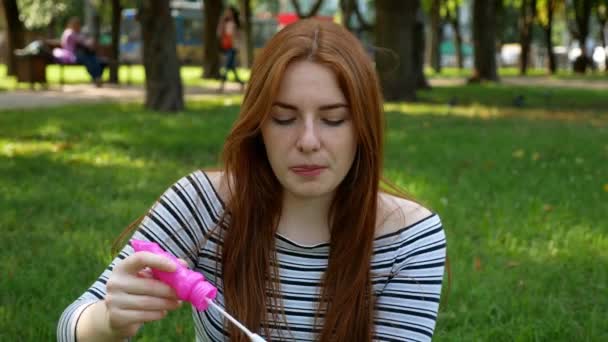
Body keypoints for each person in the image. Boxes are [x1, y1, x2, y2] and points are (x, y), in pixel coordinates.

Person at [57, 19, 447, 342]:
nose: (308, 141)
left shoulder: (410, 240)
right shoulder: (203, 204)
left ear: (363, 127)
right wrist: (109, 321)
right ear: (258, 124)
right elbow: (70, 325)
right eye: (283, 118)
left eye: (333, 119)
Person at [52, 17, 106, 87]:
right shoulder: (70, 33)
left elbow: (84, 42)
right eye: (77, 25)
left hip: (77, 55)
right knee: (88, 59)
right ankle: (97, 78)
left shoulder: (74, 33)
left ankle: (97, 77)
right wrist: (89, 42)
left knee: (94, 59)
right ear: (72, 25)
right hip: (71, 56)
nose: (78, 27)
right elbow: (82, 42)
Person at [217, 6, 245, 92]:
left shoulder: (236, 23)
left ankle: (221, 86)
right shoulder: (225, 22)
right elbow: (218, 33)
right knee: (231, 67)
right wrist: (222, 20)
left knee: (226, 66)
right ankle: (241, 83)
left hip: (233, 47)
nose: (228, 13)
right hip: (227, 46)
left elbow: (239, 36)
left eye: (229, 12)